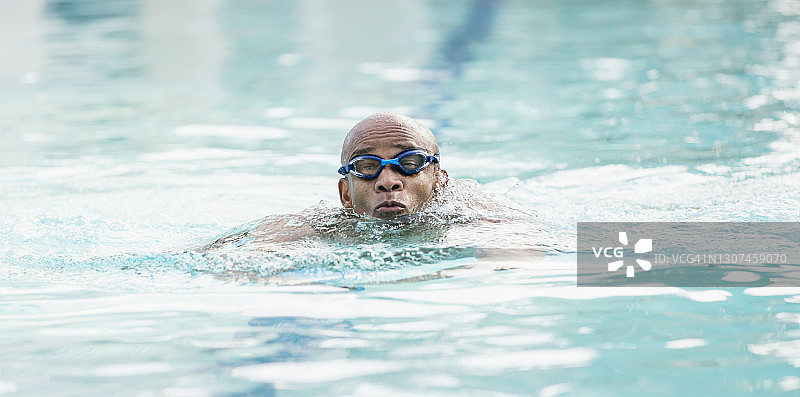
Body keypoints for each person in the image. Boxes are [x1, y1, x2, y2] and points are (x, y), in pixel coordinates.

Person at [337, 112, 448, 219]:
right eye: (368, 167)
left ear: (439, 183)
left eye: (409, 163)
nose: (388, 182)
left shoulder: (463, 226)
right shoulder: (325, 232)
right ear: (346, 194)